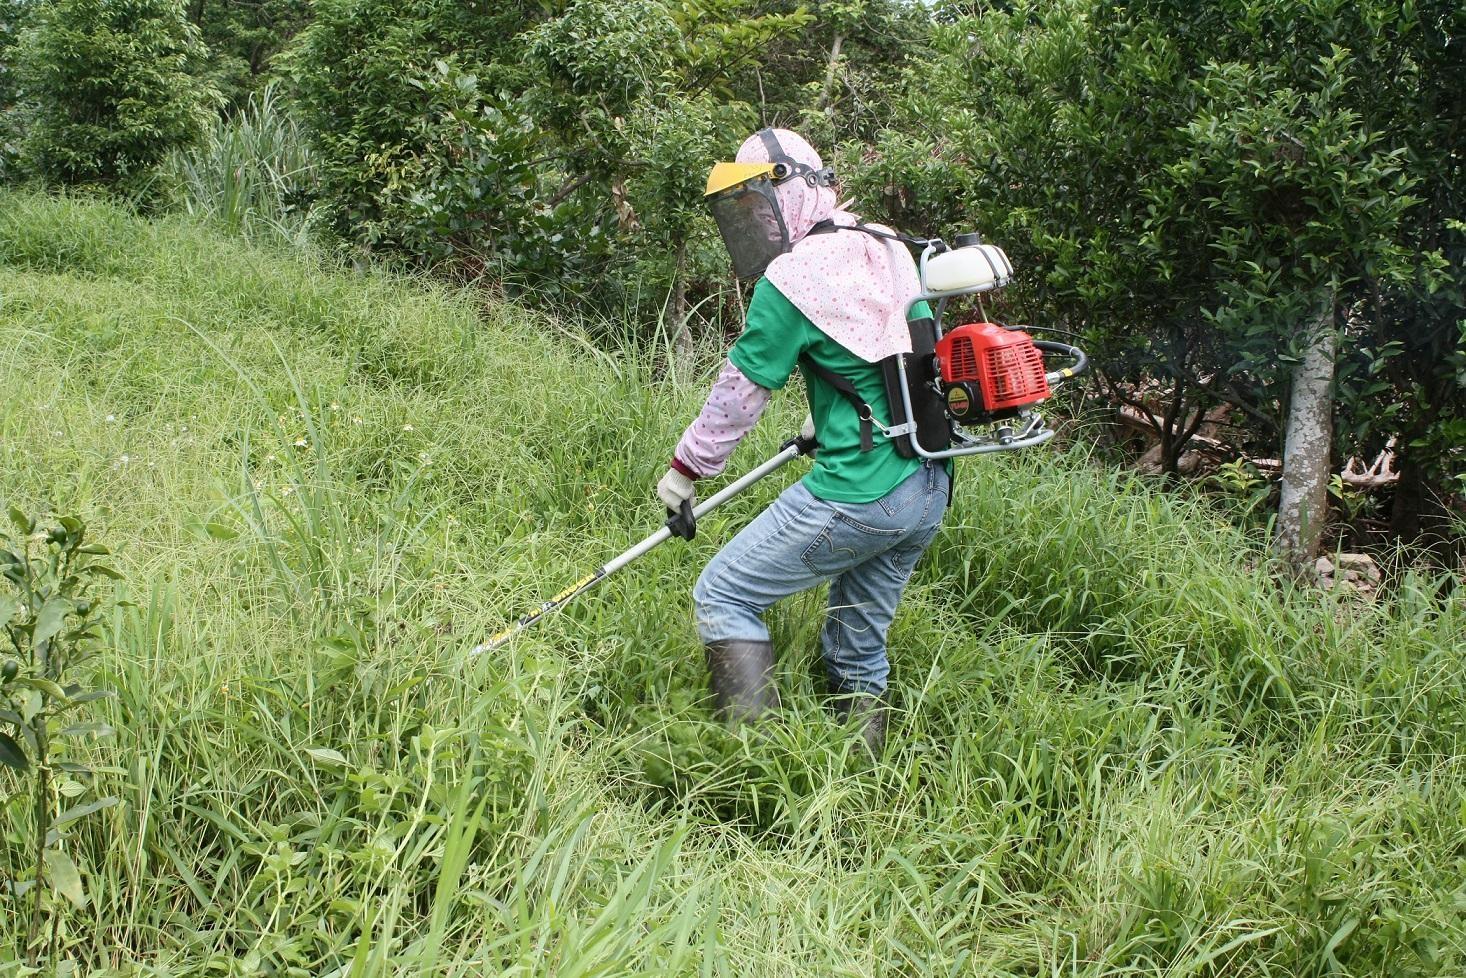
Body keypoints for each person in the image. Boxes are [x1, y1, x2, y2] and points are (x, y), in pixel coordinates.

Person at [654, 128, 950, 754]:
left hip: (862, 491)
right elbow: (903, 353)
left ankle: (749, 759)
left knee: (724, 592)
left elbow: (740, 393)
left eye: (758, 204)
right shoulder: (888, 246)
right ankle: (865, 785)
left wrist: (685, 473)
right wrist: (832, 417)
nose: (754, 222)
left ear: (791, 190)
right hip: (927, 484)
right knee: (856, 642)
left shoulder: (792, 277)